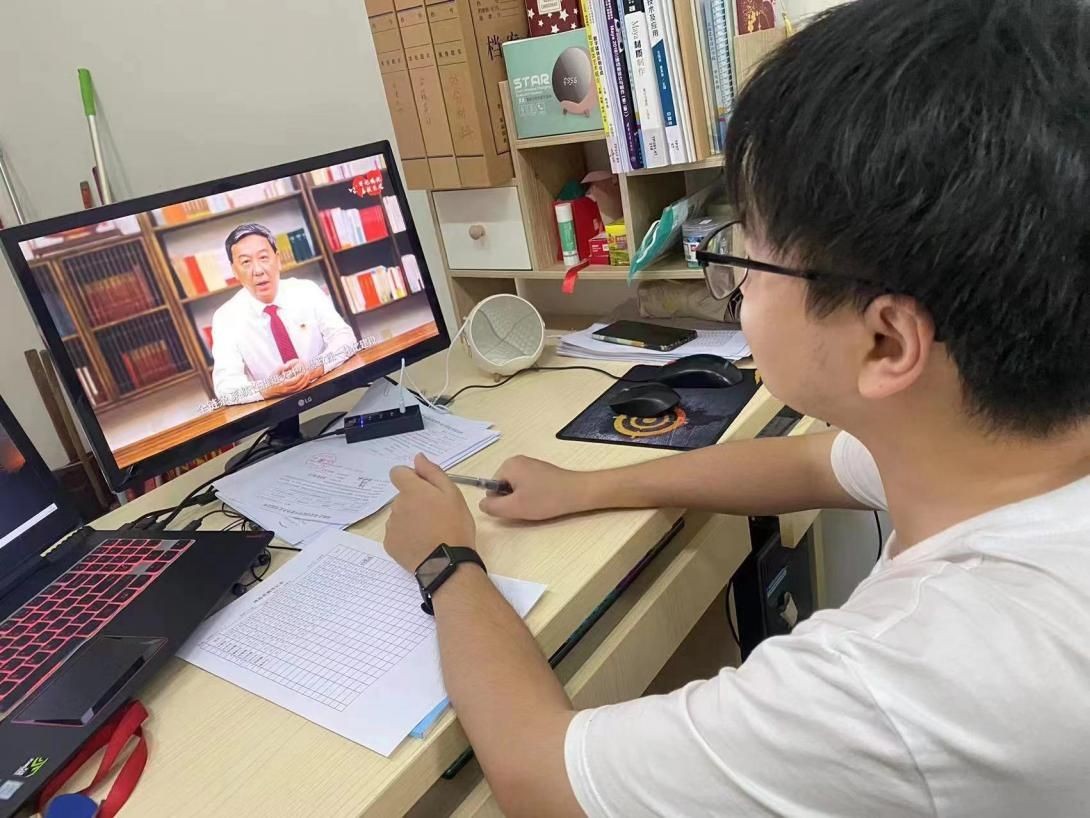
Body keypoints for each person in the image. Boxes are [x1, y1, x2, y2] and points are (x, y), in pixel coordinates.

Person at [383, 0, 1090, 814]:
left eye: (751, 253)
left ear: (887, 343)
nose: (739, 282)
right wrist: (588, 487)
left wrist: (446, 562)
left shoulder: (909, 681)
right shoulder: (997, 444)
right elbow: (813, 462)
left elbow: (538, 777)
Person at [211, 223, 356, 405]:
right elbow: (225, 388)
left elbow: (345, 338)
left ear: (278, 259)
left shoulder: (306, 290)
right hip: (277, 411)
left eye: (263, 257)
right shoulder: (225, 318)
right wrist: (267, 388)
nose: (258, 270)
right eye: (246, 262)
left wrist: (315, 368)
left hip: (330, 393)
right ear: (235, 272)